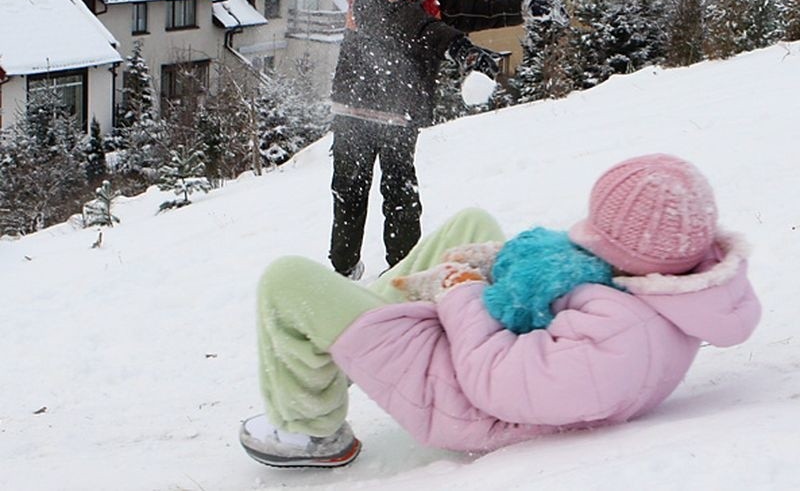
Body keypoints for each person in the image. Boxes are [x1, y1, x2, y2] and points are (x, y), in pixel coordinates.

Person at [239, 153, 760, 468]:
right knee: (473, 221)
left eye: (598, 235)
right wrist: (495, 270)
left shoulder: (620, 338)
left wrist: (461, 293)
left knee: (287, 280)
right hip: (484, 342)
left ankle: (309, 431)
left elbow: (495, 380)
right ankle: (348, 338)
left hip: (460, 391)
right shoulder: (665, 284)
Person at [328, 0, 559, 279]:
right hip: (357, 112)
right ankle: (343, 272)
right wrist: (463, 50)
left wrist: (519, 6)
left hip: (398, 112)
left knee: (402, 196)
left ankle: (404, 271)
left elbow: (465, 6)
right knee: (351, 196)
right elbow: (419, 29)